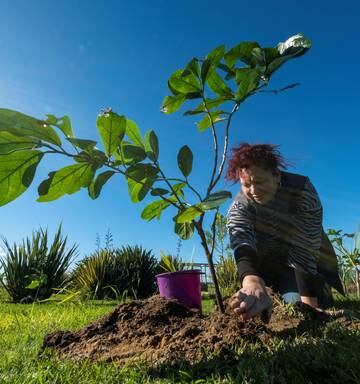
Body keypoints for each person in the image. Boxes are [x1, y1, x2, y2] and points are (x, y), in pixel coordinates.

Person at [225, 143, 344, 322]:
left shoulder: (303, 193)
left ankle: (320, 290)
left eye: (259, 182)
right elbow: (241, 241)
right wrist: (252, 280)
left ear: (275, 175)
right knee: (273, 302)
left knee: (297, 304)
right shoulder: (241, 205)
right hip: (268, 263)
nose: (254, 191)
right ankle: (271, 289)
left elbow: (305, 248)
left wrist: (311, 309)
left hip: (303, 263)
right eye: (246, 184)